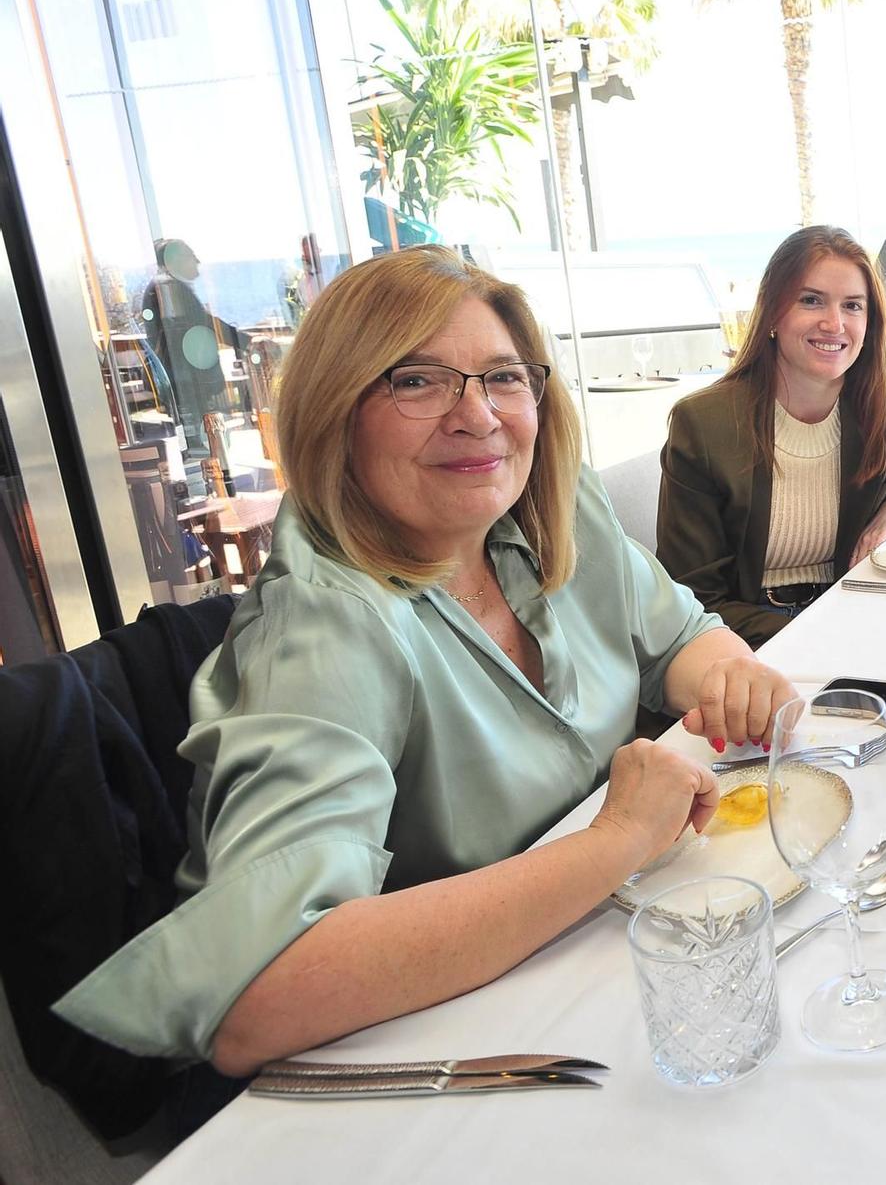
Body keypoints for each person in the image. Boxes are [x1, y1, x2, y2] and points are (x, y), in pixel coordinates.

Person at [54, 246, 794, 1071]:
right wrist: (617, 838)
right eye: (417, 380)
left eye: (504, 377)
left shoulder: (553, 506)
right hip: (440, 1050)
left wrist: (734, 672)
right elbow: (256, 996)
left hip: (592, 966)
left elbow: (680, 634)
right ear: (338, 411)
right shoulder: (324, 624)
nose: (477, 416)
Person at [659, 226, 886, 645]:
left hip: (863, 602)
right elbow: (693, 598)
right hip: (753, 630)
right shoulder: (705, 423)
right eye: (811, 300)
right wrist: (819, 634)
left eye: (853, 305)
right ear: (772, 312)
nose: (834, 323)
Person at [142, 238, 246, 493]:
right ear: (173, 260)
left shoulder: (166, 290)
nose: (197, 261)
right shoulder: (168, 290)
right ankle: (219, 495)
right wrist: (244, 341)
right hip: (190, 391)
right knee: (207, 451)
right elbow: (204, 324)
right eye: (190, 255)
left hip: (189, 390)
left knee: (206, 448)